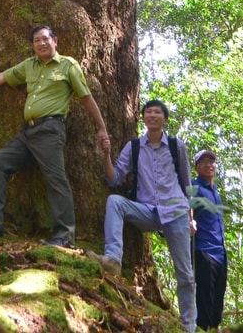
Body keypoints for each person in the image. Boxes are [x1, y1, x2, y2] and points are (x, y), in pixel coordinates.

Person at [0, 25, 108, 248]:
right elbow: (1, 77)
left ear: (55, 41)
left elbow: (86, 97)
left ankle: (65, 236)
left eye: (46, 39)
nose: (41, 43)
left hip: (50, 129)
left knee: (56, 178)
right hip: (27, 132)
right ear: (33, 46)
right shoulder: (29, 65)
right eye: (37, 40)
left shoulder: (68, 64)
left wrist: (102, 127)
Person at [90, 99, 196, 332]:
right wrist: (106, 154)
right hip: (148, 210)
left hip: (176, 213)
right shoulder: (135, 146)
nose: (153, 115)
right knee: (114, 201)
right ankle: (113, 259)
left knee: (185, 274)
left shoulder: (176, 146)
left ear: (165, 119)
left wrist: (191, 218)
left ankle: (188, 326)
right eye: (149, 112)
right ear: (143, 118)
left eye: (158, 112)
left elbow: (187, 186)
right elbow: (114, 179)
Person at [192, 150, 227, 332]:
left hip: (221, 253)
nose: (209, 164)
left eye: (211, 161)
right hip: (204, 250)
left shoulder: (215, 192)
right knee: (205, 297)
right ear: (197, 167)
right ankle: (202, 328)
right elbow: (180, 210)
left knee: (218, 298)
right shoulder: (194, 187)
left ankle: (214, 328)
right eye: (203, 162)